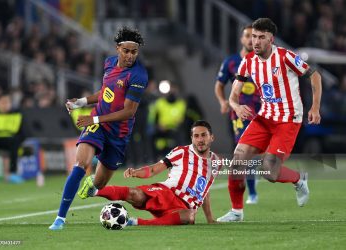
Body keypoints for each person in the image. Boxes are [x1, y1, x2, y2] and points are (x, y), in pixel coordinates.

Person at [217, 18, 322, 222]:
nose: (255, 41)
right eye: (253, 36)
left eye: (261, 37)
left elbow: (315, 76)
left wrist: (315, 107)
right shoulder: (247, 62)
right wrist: (237, 107)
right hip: (264, 117)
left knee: (270, 172)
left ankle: (299, 179)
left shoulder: (285, 56)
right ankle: (236, 211)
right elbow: (233, 95)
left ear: (271, 39)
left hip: (288, 119)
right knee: (237, 162)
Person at [49, 27, 148, 230]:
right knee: (81, 163)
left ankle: (92, 182)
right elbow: (106, 92)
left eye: (134, 52)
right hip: (99, 127)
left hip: (118, 134)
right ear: (117, 48)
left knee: (100, 184)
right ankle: (60, 218)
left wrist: (94, 119)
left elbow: (129, 112)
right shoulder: (109, 63)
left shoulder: (138, 75)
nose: (130, 56)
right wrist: (81, 102)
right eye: (126, 51)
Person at [79, 120, 221, 225]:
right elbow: (154, 169)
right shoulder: (182, 152)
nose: (200, 140)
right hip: (167, 193)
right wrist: (136, 172)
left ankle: (136, 222)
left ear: (212, 137)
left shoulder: (216, 163)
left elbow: (205, 191)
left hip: (185, 208)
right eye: (196, 136)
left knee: (190, 216)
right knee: (136, 195)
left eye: (204, 135)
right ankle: (95, 190)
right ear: (192, 138)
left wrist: (210, 219)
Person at [214, 24, 261, 205]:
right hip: (239, 115)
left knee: (256, 155)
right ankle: (251, 193)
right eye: (247, 36)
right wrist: (223, 102)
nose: (251, 39)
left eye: (254, 36)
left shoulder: (264, 61)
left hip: (263, 114)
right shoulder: (231, 62)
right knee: (243, 153)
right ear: (242, 39)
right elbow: (219, 85)